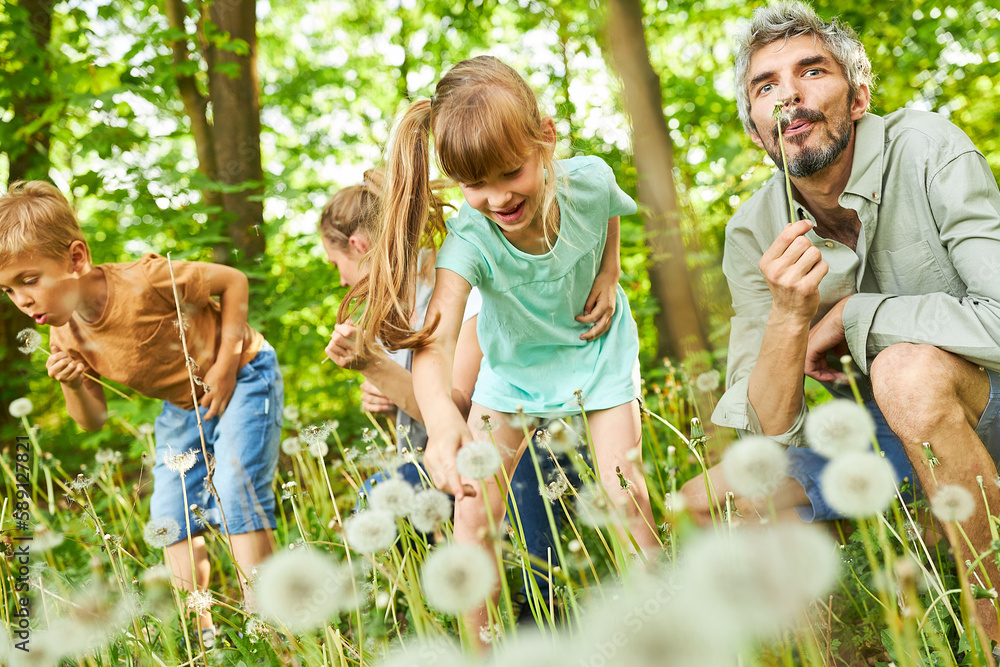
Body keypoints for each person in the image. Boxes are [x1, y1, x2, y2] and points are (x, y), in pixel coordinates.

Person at [680, 0, 1000, 643]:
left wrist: (855, 314)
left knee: (905, 373)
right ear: (757, 132)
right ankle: (845, 657)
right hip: (872, 440)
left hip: (983, 404)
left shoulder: (927, 146)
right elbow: (769, 427)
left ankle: (991, 633)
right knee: (714, 497)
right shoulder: (752, 230)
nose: (789, 97)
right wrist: (789, 320)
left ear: (857, 98)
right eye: (765, 86)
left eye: (812, 72)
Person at [344, 55, 660, 640]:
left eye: (510, 173)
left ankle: (671, 629)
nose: (495, 198)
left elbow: (610, 215)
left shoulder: (588, 179)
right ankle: (482, 645)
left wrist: (610, 272)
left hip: (596, 349)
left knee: (626, 494)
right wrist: (442, 427)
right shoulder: (469, 238)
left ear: (546, 138)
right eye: (474, 185)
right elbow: (433, 346)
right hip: (512, 373)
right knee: (473, 511)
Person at [0, 182, 283, 649]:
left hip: (245, 374)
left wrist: (227, 364)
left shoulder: (146, 280)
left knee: (236, 488)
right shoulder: (65, 337)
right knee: (170, 513)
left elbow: (233, 281)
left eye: (29, 280)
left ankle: (273, 631)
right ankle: (205, 640)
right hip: (180, 405)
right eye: (9, 290)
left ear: (76, 258)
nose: (22, 300)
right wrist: (72, 384)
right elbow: (92, 420)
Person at [320, 168, 581, 621]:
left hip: (527, 443)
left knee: (536, 572)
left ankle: (538, 620)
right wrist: (382, 390)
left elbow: (458, 410)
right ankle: (435, 611)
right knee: (375, 500)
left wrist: (376, 367)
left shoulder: (460, 283)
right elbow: (420, 419)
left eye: (335, 264)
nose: (342, 282)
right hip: (457, 455)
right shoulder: (394, 304)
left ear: (358, 247)